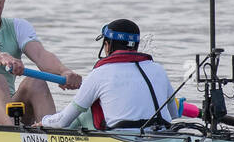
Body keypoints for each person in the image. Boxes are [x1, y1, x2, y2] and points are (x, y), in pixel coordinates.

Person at [38, 19, 178, 131]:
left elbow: (63, 121)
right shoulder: (158, 69)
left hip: (123, 140)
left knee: (83, 113)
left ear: (107, 45)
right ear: (135, 45)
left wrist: (44, 121)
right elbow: (174, 115)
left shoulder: (99, 73)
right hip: (163, 133)